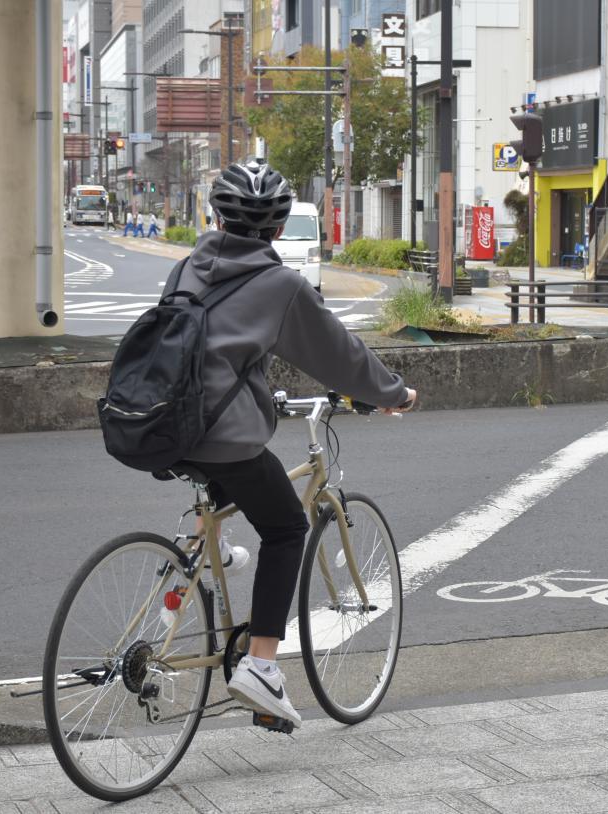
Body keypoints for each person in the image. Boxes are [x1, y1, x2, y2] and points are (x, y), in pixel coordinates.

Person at [160, 159, 416, 728]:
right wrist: (394, 393)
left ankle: (200, 553)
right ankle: (261, 667)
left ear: (215, 215)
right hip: (222, 434)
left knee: (221, 481)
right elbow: (339, 356)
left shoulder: (186, 269)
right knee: (285, 528)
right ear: (278, 230)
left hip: (162, 426)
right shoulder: (279, 284)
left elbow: (203, 352)